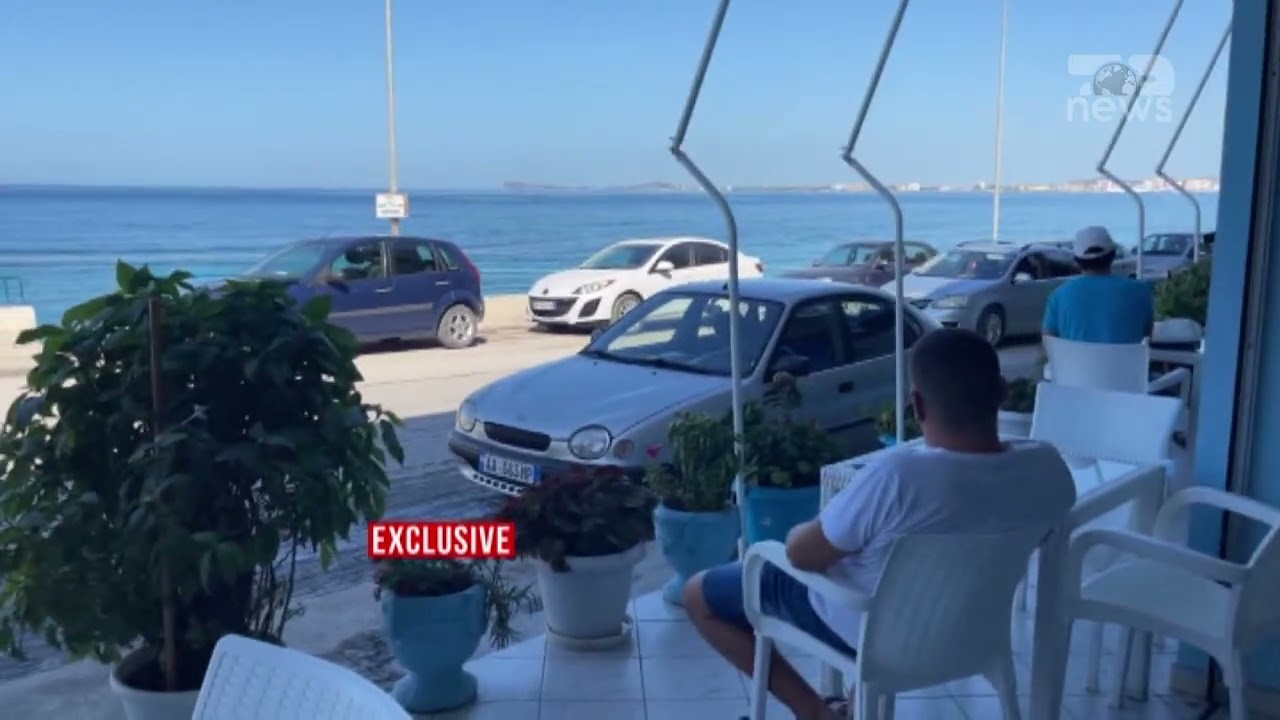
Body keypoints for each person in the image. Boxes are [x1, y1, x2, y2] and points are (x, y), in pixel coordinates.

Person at [682, 328, 1077, 720]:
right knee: (879, 568)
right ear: (1002, 391)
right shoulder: (1048, 468)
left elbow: (801, 556)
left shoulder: (900, 475)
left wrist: (797, 533)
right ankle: (854, 706)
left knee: (699, 594)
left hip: (876, 639)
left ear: (917, 405)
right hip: (970, 632)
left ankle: (815, 712)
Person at [1043, 225, 1154, 343]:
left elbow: (1050, 343)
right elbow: (1147, 334)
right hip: (1127, 356)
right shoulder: (1140, 291)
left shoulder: (1059, 296)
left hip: (1075, 356)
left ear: (1076, 262)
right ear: (1113, 255)